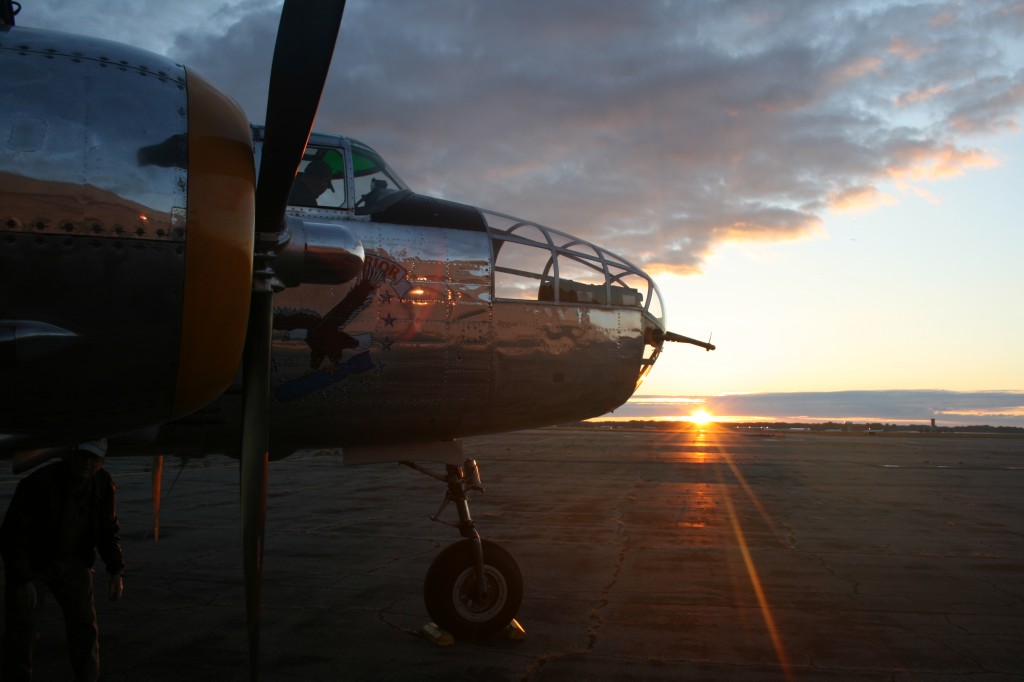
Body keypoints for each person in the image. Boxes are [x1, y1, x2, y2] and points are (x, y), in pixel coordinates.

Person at [0, 439, 124, 682]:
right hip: (34, 564)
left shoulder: (103, 484)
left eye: (94, 459)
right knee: (23, 631)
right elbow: (13, 535)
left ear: (101, 463)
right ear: (72, 456)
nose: (87, 464)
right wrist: (23, 578)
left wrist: (116, 570)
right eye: (83, 457)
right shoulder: (38, 483)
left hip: (74, 564)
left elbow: (107, 530)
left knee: (85, 629)